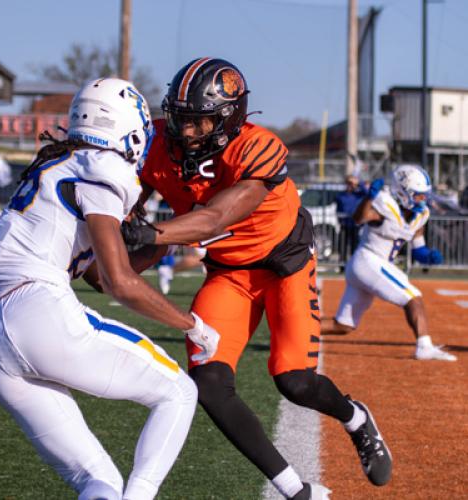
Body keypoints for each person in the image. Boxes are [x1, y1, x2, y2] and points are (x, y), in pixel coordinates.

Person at [122, 57, 392, 499]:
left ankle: (355, 417)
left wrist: (154, 232)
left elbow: (217, 216)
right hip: (228, 272)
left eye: (199, 122)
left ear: (229, 118)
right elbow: (135, 198)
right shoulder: (157, 142)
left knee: (295, 380)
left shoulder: (258, 146)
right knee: (207, 384)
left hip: (284, 265)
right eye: (180, 119)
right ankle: (294, 490)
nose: (186, 132)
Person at [0, 78, 220, 500]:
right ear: (131, 129)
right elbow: (120, 283)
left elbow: (101, 276)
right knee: (178, 392)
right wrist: (191, 324)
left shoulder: (59, 164)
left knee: (99, 481)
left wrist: (167, 239)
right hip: (37, 309)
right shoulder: (106, 166)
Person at [322, 164, 457, 362]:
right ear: (404, 192)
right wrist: (368, 198)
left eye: (424, 195)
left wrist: (427, 256)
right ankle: (424, 346)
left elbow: (418, 247)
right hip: (367, 260)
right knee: (413, 296)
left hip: (372, 266)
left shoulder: (421, 214)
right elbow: (358, 218)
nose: (423, 199)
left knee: (343, 325)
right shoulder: (384, 203)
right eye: (418, 195)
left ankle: (294, 331)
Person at [335, 174, 367, 263]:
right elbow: (338, 209)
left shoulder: (359, 194)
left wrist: (358, 183)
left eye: (352, 183)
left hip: (355, 224)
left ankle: (354, 263)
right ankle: (342, 265)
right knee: (343, 245)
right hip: (344, 224)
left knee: (354, 246)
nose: (350, 185)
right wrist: (340, 220)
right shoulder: (341, 196)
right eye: (349, 183)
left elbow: (368, 193)